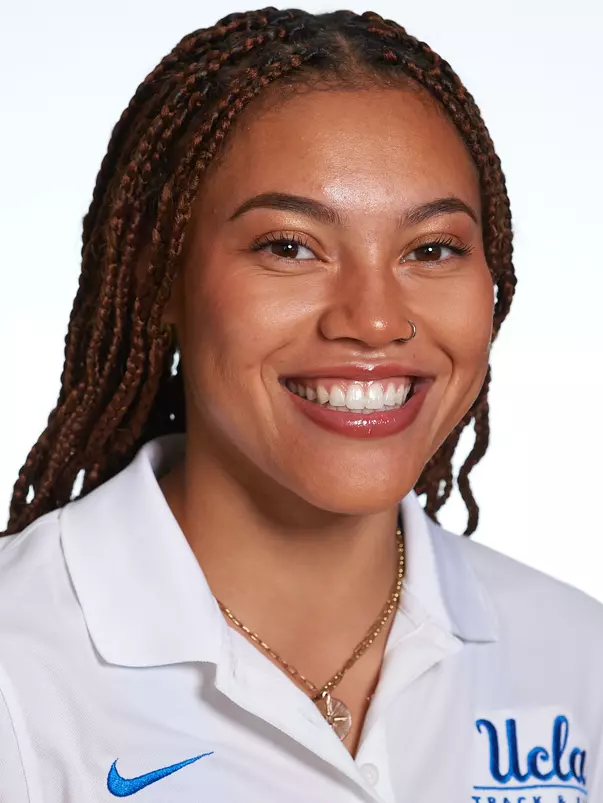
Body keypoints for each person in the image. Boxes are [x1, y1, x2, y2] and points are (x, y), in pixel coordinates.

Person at [0, 6, 601, 803]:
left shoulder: (576, 656)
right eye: (288, 247)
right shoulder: (20, 661)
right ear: (159, 279)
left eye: (431, 249)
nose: (375, 318)